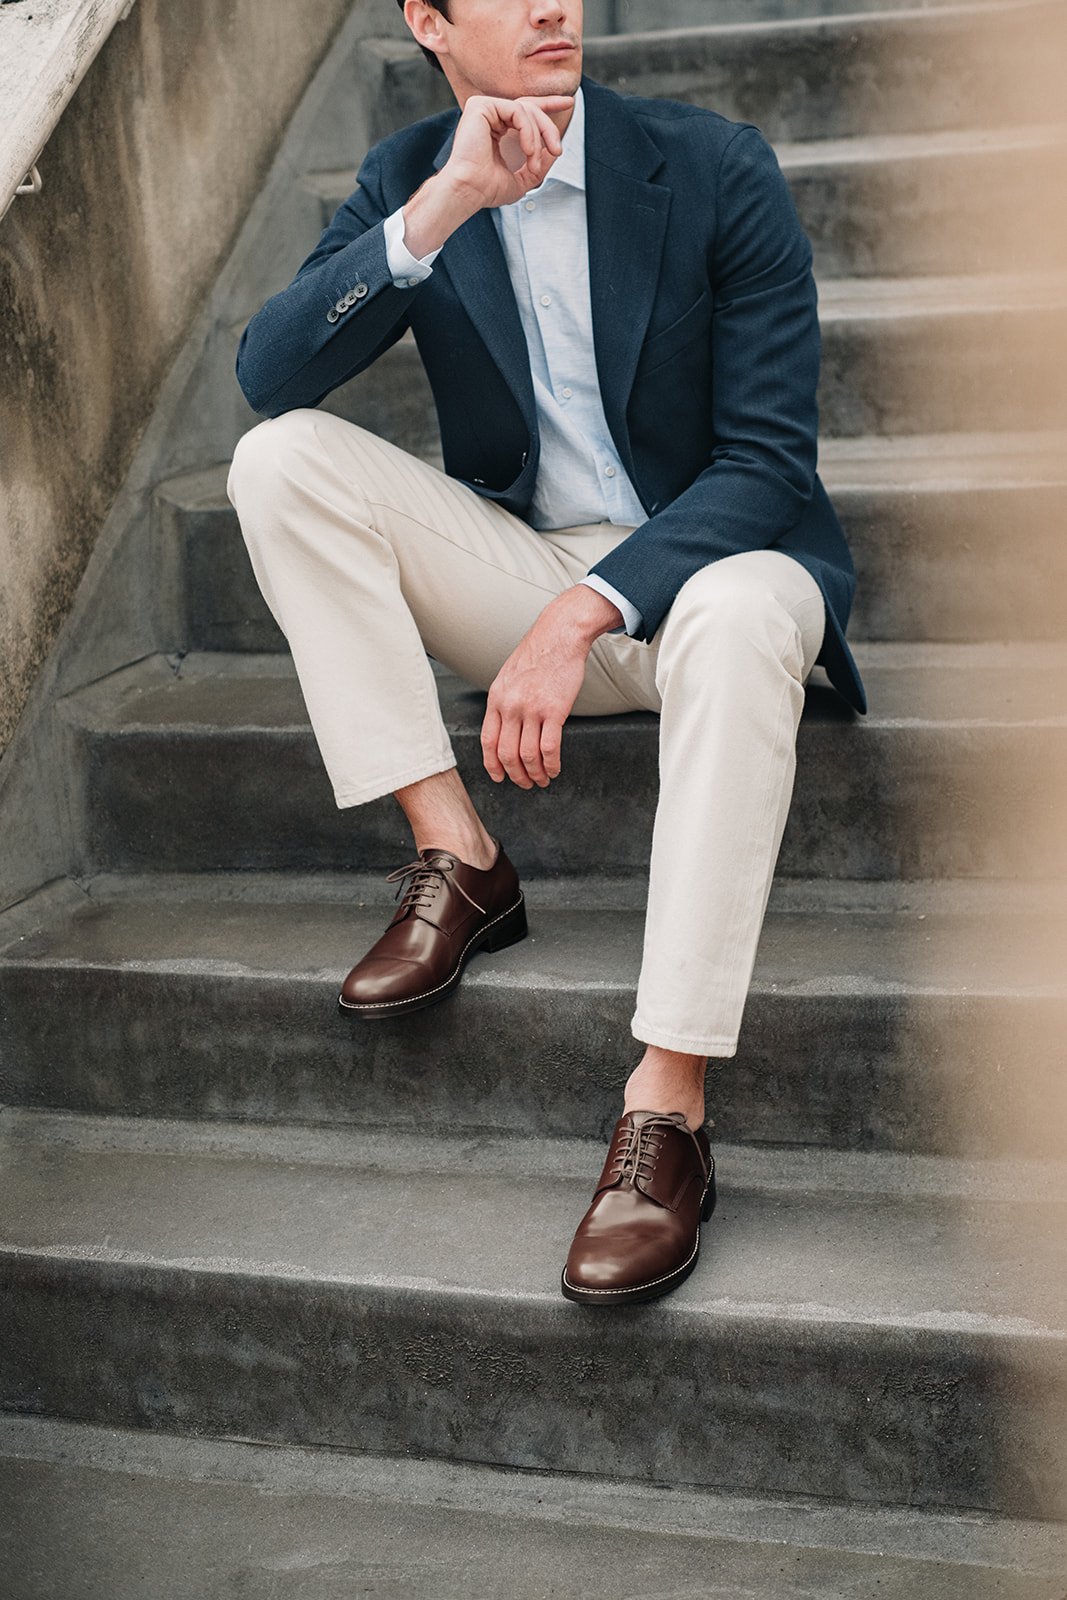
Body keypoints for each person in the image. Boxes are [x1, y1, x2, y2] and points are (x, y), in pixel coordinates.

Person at [226, 0, 866, 1307]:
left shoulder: (710, 163)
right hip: (525, 563)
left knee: (745, 612)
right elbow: (268, 370)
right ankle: (457, 854)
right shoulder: (412, 177)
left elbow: (765, 467)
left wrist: (582, 616)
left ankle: (666, 1104)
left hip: (713, 575)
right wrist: (446, 208)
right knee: (277, 462)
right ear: (429, 22)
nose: (556, 5)